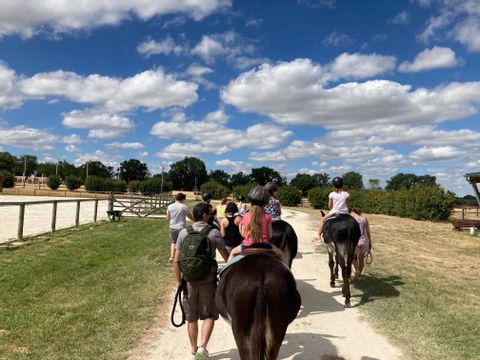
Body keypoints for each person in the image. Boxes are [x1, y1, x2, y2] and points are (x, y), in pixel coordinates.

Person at [173, 202, 229, 360]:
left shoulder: (184, 232)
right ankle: (202, 349)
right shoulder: (213, 233)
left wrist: (179, 281)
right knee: (210, 314)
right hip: (208, 280)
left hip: (189, 281)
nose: (211, 215)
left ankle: (193, 349)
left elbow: (176, 261)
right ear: (204, 215)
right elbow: (226, 257)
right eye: (210, 213)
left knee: (191, 317)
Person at [228, 186, 285, 262]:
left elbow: (243, 235)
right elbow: (270, 235)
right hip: (265, 247)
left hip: (247, 247)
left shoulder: (245, 216)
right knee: (281, 254)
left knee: (232, 253)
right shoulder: (267, 217)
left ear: (251, 202)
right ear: (264, 204)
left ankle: (221, 273)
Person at [314, 177, 350, 243]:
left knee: (322, 220)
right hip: (345, 213)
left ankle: (318, 236)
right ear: (342, 184)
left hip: (334, 212)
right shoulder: (347, 194)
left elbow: (330, 207)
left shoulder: (332, 194)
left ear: (333, 185)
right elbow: (348, 205)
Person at [166, 193, 194, 263]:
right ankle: (181, 257)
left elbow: (168, 217)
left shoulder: (170, 206)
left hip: (172, 226)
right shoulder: (184, 207)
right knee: (182, 242)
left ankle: (172, 257)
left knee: (173, 242)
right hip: (181, 227)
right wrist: (195, 220)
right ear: (182, 199)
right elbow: (189, 216)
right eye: (184, 199)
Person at [351, 208, 372, 280]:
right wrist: (370, 242)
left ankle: (357, 271)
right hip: (364, 241)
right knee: (361, 259)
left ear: (354, 212)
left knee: (353, 258)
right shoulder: (365, 219)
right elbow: (368, 231)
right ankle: (359, 274)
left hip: (354, 241)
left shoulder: (352, 219)